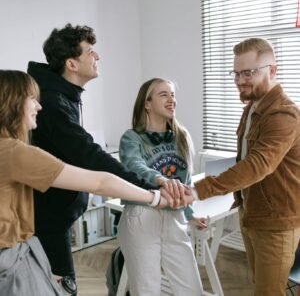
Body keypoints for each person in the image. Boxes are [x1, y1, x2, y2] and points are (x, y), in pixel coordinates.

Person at [0, 70, 195, 296]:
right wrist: (156, 196)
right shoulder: (15, 153)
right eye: (32, 99)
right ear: (13, 102)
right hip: (9, 257)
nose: (39, 107)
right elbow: (100, 182)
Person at [193, 37, 300, 296]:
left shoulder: (284, 114)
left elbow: (257, 165)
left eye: (248, 73)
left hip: (276, 222)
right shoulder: (252, 107)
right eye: (237, 73)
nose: (240, 80)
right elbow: (243, 157)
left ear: (272, 70)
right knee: (261, 287)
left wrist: (199, 190)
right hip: (251, 214)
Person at [118, 78, 207, 296]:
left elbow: (185, 182)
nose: (171, 100)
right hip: (142, 215)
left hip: (175, 217)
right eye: (163, 94)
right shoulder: (132, 137)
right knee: (146, 289)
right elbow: (133, 165)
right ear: (147, 104)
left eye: (173, 95)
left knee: (192, 288)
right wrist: (162, 180)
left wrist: (190, 215)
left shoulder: (182, 136)